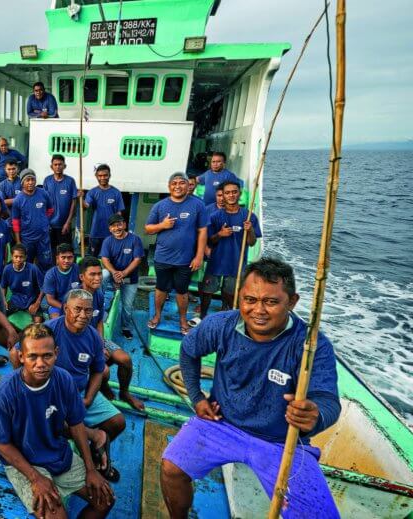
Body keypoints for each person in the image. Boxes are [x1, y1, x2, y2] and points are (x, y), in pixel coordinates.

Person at [160, 258, 341, 518]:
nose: (259, 310)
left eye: (271, 301)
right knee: (171, 469)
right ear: (240, 298)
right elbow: (189, 350)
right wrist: (197, 397)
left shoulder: (312, 345)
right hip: (222, 423)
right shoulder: (221, 325)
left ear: (292, 302)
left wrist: (315, 416)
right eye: (250, 300)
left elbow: (328, 401)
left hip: (281, 441)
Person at [0, 324, 114, 519]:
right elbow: (0, 443)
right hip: (25, 459)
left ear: (56, 353)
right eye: (32, 356)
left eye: (47, 356)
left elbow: (76, 424)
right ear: (21, 357)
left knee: (105, 500)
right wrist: (35, 478)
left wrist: (90, 468)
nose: (40, 363)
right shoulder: (6, 392)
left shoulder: (64, 380)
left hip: (56, 451)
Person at [11, 290, 126, 482]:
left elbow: (98, 370)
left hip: (79, 392)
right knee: (54, 420)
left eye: (88, 311)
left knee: (118, 422)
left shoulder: (94, 337)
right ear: (65, 309)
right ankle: (94, 440)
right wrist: (25, 383)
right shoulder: (49, 331)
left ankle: (93, 453)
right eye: (77, 309)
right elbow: (15, 353)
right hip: (50, 393)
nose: (83, 315)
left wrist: (88, 398)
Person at [144, 172, 208, 335]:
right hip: (163, 258)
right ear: (169, 186)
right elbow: (148, 229)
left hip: (185, 259)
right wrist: (162, 225)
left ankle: (182, 320)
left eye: (181, 183)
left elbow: (202, 231)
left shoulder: (198, 205)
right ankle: (157, 316)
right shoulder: (160, 206)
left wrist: (199, 255)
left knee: (182, 291)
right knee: (161, 288)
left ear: (188, 186)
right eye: (174, 183)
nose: (178, 186)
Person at [78, 257, 144, 411]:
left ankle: (124, 392)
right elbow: (75, 333)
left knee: (126, 360)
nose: (98, 278)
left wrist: (101, 343)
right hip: (81, 342)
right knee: (104, 371)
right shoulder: (75, 299)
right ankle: (103, 387)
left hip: (96, 339)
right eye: (92, 275)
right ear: (82, 277)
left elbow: (100, 321)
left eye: (99, 274)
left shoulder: (98, 293)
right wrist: (97, 350)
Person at [196, 181, 261, 322]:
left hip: (236, 264)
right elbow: (209, 241)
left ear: (239, 193)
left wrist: (249, 230)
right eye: (227, 193)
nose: (231, 195)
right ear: (222, 196)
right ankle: (203, 316)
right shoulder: (215, 217)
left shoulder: (249, 217)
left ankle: (225, 316)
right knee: (207, 291)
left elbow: (252, 242)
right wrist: (220, 234)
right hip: (216, 262)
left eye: (234, 192)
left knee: (230, 293)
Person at [100, 214, 144, 340]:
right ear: (109, 229)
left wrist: (123, 273)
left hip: (129, 278)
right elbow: (105, 259)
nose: (116, 228)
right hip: (114, 276)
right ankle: (99, 301)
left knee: (127, 306)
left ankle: (125, 328)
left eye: (119, 224)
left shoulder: (135, 239)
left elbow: (137, 259)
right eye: (113, 226)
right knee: (104, 274)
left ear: (124, 225)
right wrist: (114, 273)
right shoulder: (108, 241)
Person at [12, 168, 54, 272]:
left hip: (43, 238)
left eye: (32, 179)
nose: (30, 182)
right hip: (27, 239)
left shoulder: (43, 193)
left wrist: (44, 220)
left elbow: (50, 209)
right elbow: (15, 221)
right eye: (27, 180)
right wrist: (18, 241)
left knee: (46, 264)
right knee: (27, 265)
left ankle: (45, 286)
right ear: (22, 182)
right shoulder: (18, 199)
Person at [83, 164, 125, 257]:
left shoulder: (116, 192)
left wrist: (119, 230)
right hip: (95, 233)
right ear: (96, 176)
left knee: (109, 259)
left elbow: (119, 214)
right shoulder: (92, 192)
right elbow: (85, 206)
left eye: (105, 175)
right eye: (100, 176)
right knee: (92, 259)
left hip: (111, 234)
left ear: (109, 175)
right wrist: (81, 199)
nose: (103, 178)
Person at [42, 154, 79, 252]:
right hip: (49, 225)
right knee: (50, 252)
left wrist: (68, 222)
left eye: (60, 164)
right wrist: (45, 222)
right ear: (51, 167)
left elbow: (73, 203)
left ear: (64, 166)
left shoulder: (70, 181)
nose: (58, 167)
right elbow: (44, 202)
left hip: (64, 225)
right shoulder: (47, 180)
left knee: (64, 252)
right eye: (55, 164)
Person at [1, 244, 44, 324]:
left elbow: (43, 288)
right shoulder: (7, 269)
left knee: (38, 323)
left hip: (31, 300)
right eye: (16, 256)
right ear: (12, 256)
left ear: (25, 257)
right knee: (0, 316)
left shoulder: (33, 268)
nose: (18, 259)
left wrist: (37, 304)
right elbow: (3, 286)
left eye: (21, 257)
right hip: (15, 300)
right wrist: (3, 300)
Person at [42, 243, 80, 319]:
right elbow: (50, 299)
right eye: (63, 257)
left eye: (69, 257)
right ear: (57, 258)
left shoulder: (78, 269)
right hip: (57, 305)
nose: (66, 260)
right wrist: (67, 308)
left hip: (76, 303)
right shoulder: (50, 274)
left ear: (73, 258)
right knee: (57, 320)